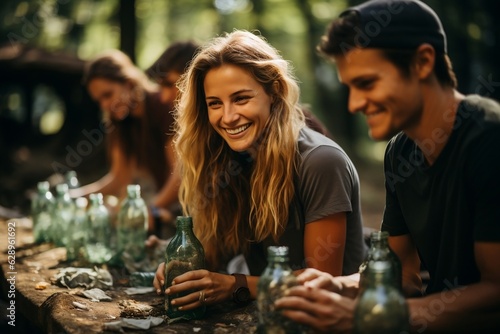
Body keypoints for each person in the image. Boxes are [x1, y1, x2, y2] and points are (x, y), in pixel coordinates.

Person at [275, 0, 500, 333]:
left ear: (423, 62)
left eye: (366, 83)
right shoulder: (399, 152)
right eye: (349, 88)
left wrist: (365, 317)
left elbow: (495, 294)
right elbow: (402, 275)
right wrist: (339, 285)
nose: (354, 104)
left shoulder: (489, 138)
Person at [152, 30, 367, 309]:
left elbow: (323, 281)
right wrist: (184, 268)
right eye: (214, 104)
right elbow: (215, 253)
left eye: (241, 99)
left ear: (274, 91)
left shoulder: (320, 161)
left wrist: (234, 286)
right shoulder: (226, 160)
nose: (227, 117)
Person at [71, 49, 180, 234]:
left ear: (129, 84)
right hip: (156, 202)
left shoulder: (162, 106)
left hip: (181, 203)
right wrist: (75, 196)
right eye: (99, 101)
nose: (105, 105)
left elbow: (180, 175)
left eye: (108, 95)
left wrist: (150, 208)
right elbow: (119, 178)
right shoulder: (119, 123)